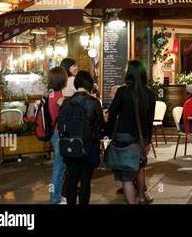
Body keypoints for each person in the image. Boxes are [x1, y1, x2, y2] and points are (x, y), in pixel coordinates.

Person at [107, 60, 156, 204]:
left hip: (124, 136)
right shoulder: (150, 93)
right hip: (140, 137)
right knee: (140, 165)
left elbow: (112, 112)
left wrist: (108, 132)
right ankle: (141, 196)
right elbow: (149, 120)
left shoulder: (123, 91)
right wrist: (148, 140)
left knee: (127, 176)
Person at [58, 71, 104, 205]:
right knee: (85, 181)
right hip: (90, 146)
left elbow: (60, 124)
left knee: (72, 179)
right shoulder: (94, 102)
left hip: (70, 145)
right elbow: (100, 123)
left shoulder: (66, 102)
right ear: (89, 84)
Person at [48, 67, 68, 204]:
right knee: (59, 168)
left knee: (58, 167)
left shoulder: (50, 94)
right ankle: (55, 199)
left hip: (53, 133)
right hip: (58, 133)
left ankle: (57, 196)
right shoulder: (58, 97)